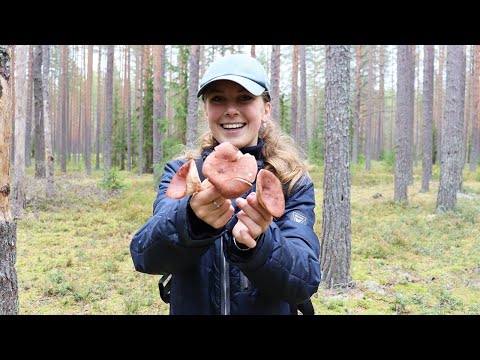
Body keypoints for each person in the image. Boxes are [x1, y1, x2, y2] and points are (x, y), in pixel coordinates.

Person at [130, 53, 320, 315]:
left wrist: (260, 244)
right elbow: (145, 256)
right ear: (206, 109)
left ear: (266, 109)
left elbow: (305, 280)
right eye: (218, 99)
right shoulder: (186, 174)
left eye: (244, 98)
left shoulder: (290, 180)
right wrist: (191, 221)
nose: (231, 110)